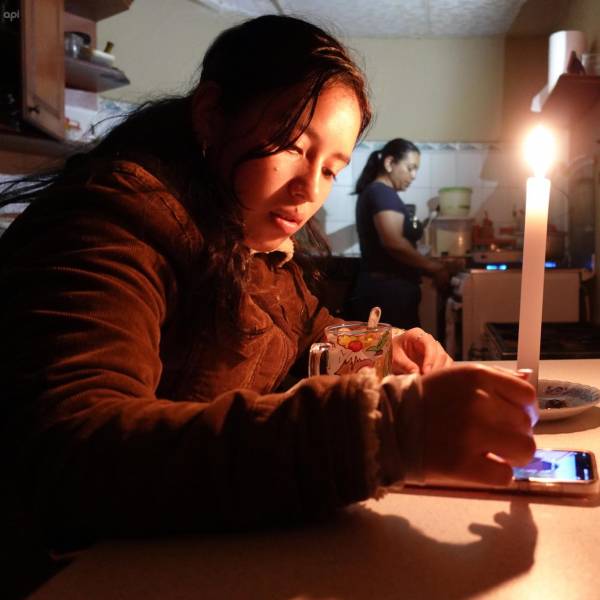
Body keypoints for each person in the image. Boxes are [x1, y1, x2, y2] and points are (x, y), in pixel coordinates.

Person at [0, 14, 535, 580]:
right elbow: (76, 452)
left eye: (331, 170)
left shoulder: (248, 240)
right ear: (212, 115)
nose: (309, 190)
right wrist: (384, 431)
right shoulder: (111, 224)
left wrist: (386, 348)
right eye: (293, 146)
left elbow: (304, 329)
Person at [351, 139, 451, 329]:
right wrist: (434, 267)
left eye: (416, 170)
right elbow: (394, 242)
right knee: (393, 346)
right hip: (388, 294)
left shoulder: (378, 192)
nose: (413, 176)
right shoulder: (382, 193)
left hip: (384, 291)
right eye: (410, 168)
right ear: (389, 163)